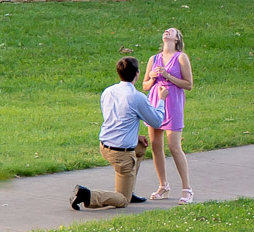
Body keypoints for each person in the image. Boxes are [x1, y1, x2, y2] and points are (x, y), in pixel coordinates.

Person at [71, 56, 169, 210]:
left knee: (140, 148)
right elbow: (156, 121)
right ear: (137, 74)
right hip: (121, 154)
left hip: (105, 145)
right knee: (123, 200)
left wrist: (135, 136)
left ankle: (129, 189)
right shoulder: (136, 97)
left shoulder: (108, 92)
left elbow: (115, 119)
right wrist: (162, 99)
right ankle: (88, 195)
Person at [142, 28, 195, 204]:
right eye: (166, 30)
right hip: (156, 100)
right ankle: (163, 185)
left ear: (177, 38)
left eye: (171, 31)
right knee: (156, 145)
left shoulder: (181, 57)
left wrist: (167, 76)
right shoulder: (153, 59)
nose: (167, 31)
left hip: (173, 102)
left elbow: (188, 84)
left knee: (174, 146)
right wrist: (151, 77)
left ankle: (187, 189)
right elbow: (145, 86)